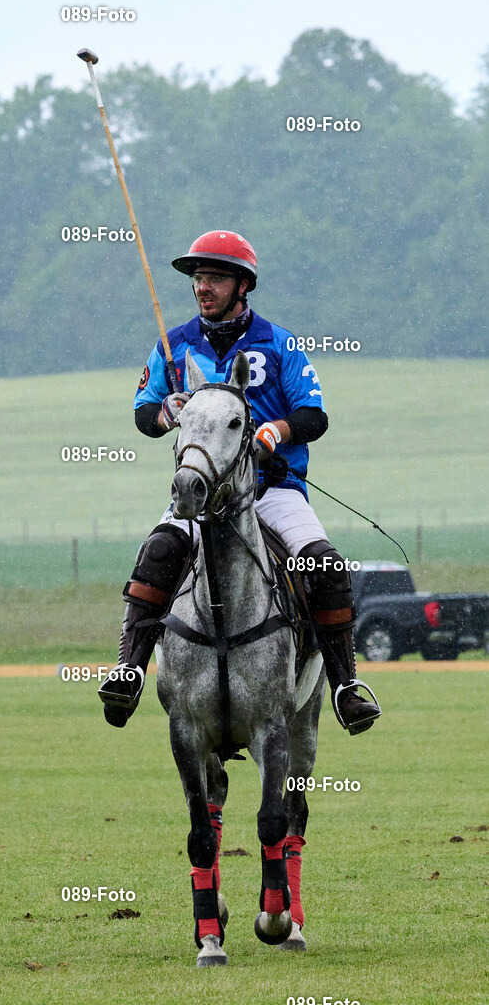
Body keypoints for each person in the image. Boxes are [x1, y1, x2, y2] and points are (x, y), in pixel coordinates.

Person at [98, 230, 380, 736]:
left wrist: (278, 429)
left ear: (242, 284)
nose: (202, 287)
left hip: (271, 491)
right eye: (197, 278)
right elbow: (142, 415)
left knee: (325, 564)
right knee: (158, 552)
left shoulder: (279, 343)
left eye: (214, 277)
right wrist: (165, 412)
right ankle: (130, 672)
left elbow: (314, 415)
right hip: (200, 493)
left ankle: (345, 686)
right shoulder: (173, 344)